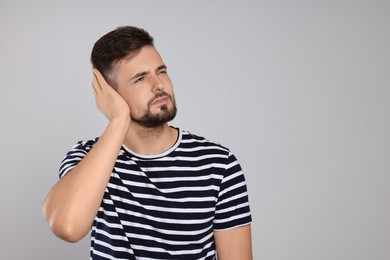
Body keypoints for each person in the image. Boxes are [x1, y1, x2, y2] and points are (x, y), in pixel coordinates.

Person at [42, 25, 253, 260]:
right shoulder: (87, 157)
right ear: (109, 93)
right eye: (140, 79)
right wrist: (118, 119)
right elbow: (67, 227)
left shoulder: (218, 164)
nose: (159, 84)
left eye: (161, 71)